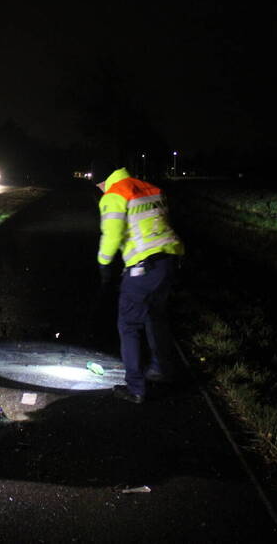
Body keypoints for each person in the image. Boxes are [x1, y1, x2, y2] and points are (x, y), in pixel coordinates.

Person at [91, 158, 184, 404]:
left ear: (102, 181)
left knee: (129, 325)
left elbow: (111, 235)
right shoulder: (150, 188)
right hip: (169, 263)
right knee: (156, 317)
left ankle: (135, 388)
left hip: (143, 268)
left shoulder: (113, 194)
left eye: (98, 185)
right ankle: (162, 370)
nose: (100, 190)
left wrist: (104, 265)